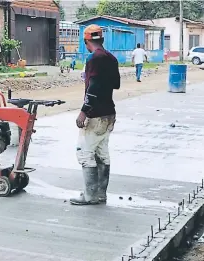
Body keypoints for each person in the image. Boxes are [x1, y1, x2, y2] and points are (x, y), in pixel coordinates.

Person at [70, 24, 120, 205]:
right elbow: (116, 84)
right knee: (102, 153)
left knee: (84, 153)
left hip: (96, 114)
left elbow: (94, 86)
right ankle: (100, 194)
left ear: (86, 41)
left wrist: (84, 112)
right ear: (102, 39)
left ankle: (89, 195)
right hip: (109, 113)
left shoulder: (94, 59)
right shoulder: (111, 58)